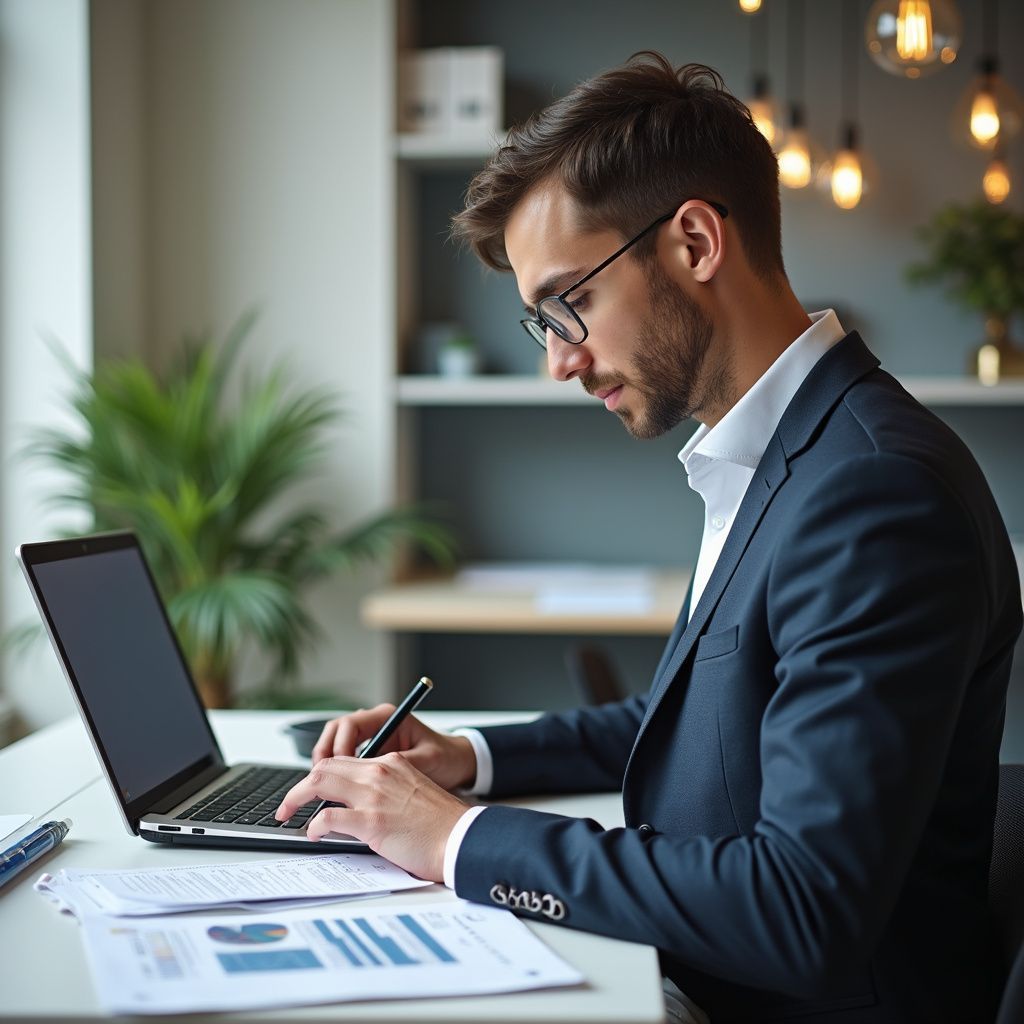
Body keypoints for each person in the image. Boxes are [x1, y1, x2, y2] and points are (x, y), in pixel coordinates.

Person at [275, 53, 1023, 1023]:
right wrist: (467, 757)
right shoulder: (785, 454)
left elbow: (803, 910)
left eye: (569, 304)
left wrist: (457, 839)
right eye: (542, 322)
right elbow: (701, 721)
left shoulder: (873, 493)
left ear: (695, 242)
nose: (559, 361)